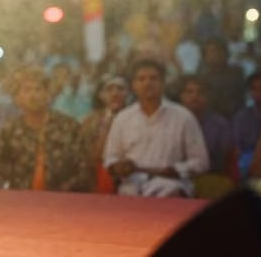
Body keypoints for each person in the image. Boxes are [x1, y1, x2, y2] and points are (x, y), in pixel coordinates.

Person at [103, 58, 209, 197]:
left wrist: (176, 170)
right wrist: (118, 167)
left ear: (163, 83)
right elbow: (110, 158)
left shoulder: (183, 117)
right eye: (141, 79)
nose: (147, 83)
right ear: (134, 85)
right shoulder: (122, 119)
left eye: (153, 78)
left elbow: (201, 162)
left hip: (171, 184)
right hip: (132, 185)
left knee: (171, 194)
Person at [0, 68, 89, 192]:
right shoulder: (10, 129)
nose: (33, 95)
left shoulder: (68, 126)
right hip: (21, 199)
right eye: (26, 90)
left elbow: (83, 167)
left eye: (38, 90)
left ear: (48, 94)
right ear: (18, 98)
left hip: (63, 200)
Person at [176, 74, 237, 197]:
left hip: (209, 177)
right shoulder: (172, 121)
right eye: (189, 92)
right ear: (181, 96)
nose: (195, 96)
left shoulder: (220, 125)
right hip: (175, 177)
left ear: (208, 96)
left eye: (200, 92)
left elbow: (222, 161)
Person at [79, 75, 129, 193]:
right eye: (109, 89)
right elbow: (84, 153)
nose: (115, 94)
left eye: (120, 89)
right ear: (101, 95)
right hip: (94, 175)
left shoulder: (136, 120)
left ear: (128, 94)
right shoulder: (90, 120)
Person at [232, 70, 261, 176]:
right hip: (249, 157)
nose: (258, 92)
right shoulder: (241, 117)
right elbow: (237, 147)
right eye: (254, 89)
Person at [199, 37, 245, 120]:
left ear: (224, 53)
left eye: (217, 50)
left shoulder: (235, 74)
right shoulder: (201, 78)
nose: (214, 54)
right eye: (210, 52)